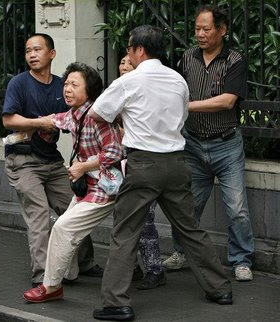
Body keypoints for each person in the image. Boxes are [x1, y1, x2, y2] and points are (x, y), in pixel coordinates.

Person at [90, 25, 233, 321]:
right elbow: (181, 116)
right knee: (190, 228)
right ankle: (220, 288)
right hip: (177, 163)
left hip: (143, 165)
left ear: (139, 49)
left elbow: (96, 113)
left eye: (129, 48)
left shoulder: (129, 81)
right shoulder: (178, 79)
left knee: (125, 232)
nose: (128, 53)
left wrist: (125, 116)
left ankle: (116, 302)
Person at [163, 4, 254, 282]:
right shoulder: (188, 57)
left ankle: (241, 260)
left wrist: (187, 106)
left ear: (222, 30)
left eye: (206, 29)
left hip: (226, 145)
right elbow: (175, 88)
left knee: (237, 208)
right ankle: (181, 252)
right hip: (192, 144)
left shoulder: (235, 60)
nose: (200, 34)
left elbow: (227, 101)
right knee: (187, 205)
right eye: (196, 29)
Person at [2, 34, 102, 288]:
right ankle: (43, 276)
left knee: (76, 208)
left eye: (37, 49)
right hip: (22, 160)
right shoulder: (19, 83)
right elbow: (8, 120)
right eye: (28, 50)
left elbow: (72, 118)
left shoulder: (61, 86)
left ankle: (87, 262)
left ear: (52, 54)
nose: (32, 54)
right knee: (39, 216)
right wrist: (41, 123)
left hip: (52, 161)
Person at [22, 62, 122, 303]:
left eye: (74, 85)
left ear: (89, 90)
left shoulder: (97, 117)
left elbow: (116, 151)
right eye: (66, 84)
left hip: (105, 189)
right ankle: (67, 274)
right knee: (66, 228)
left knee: (63, 227)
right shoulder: (75, 114)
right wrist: (32, 127)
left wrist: (83, 166)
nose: (67, 89)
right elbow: (58, 119)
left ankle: (51, 287)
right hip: (88, 188)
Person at [118, 54, 165, 289]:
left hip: (146, 164)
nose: (125, 66)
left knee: (145, 219)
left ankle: (155, 269)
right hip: (120, 167)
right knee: (124, 219)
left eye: (130, 62)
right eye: (122, 62)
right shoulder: (115, 93)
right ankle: (132, 267)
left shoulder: (148, 93)